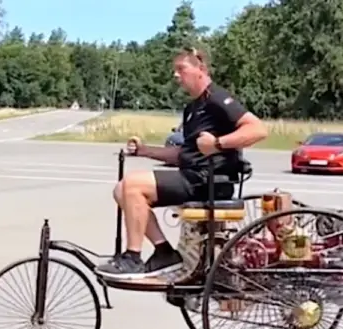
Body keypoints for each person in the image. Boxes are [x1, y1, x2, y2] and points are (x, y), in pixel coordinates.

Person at [95, 47, 269, 279]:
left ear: (201, 69)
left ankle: (133, 257)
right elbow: (183, 155)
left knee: (132, 185)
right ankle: (164, 252)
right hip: (193, 176)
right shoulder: (192, 108)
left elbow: (258, 129)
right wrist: (145, 151)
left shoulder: (216, 98)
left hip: (209, 181)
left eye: (181, 69)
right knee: (121, 191)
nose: (176, 76)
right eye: (175, 71)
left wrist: (218, 143)